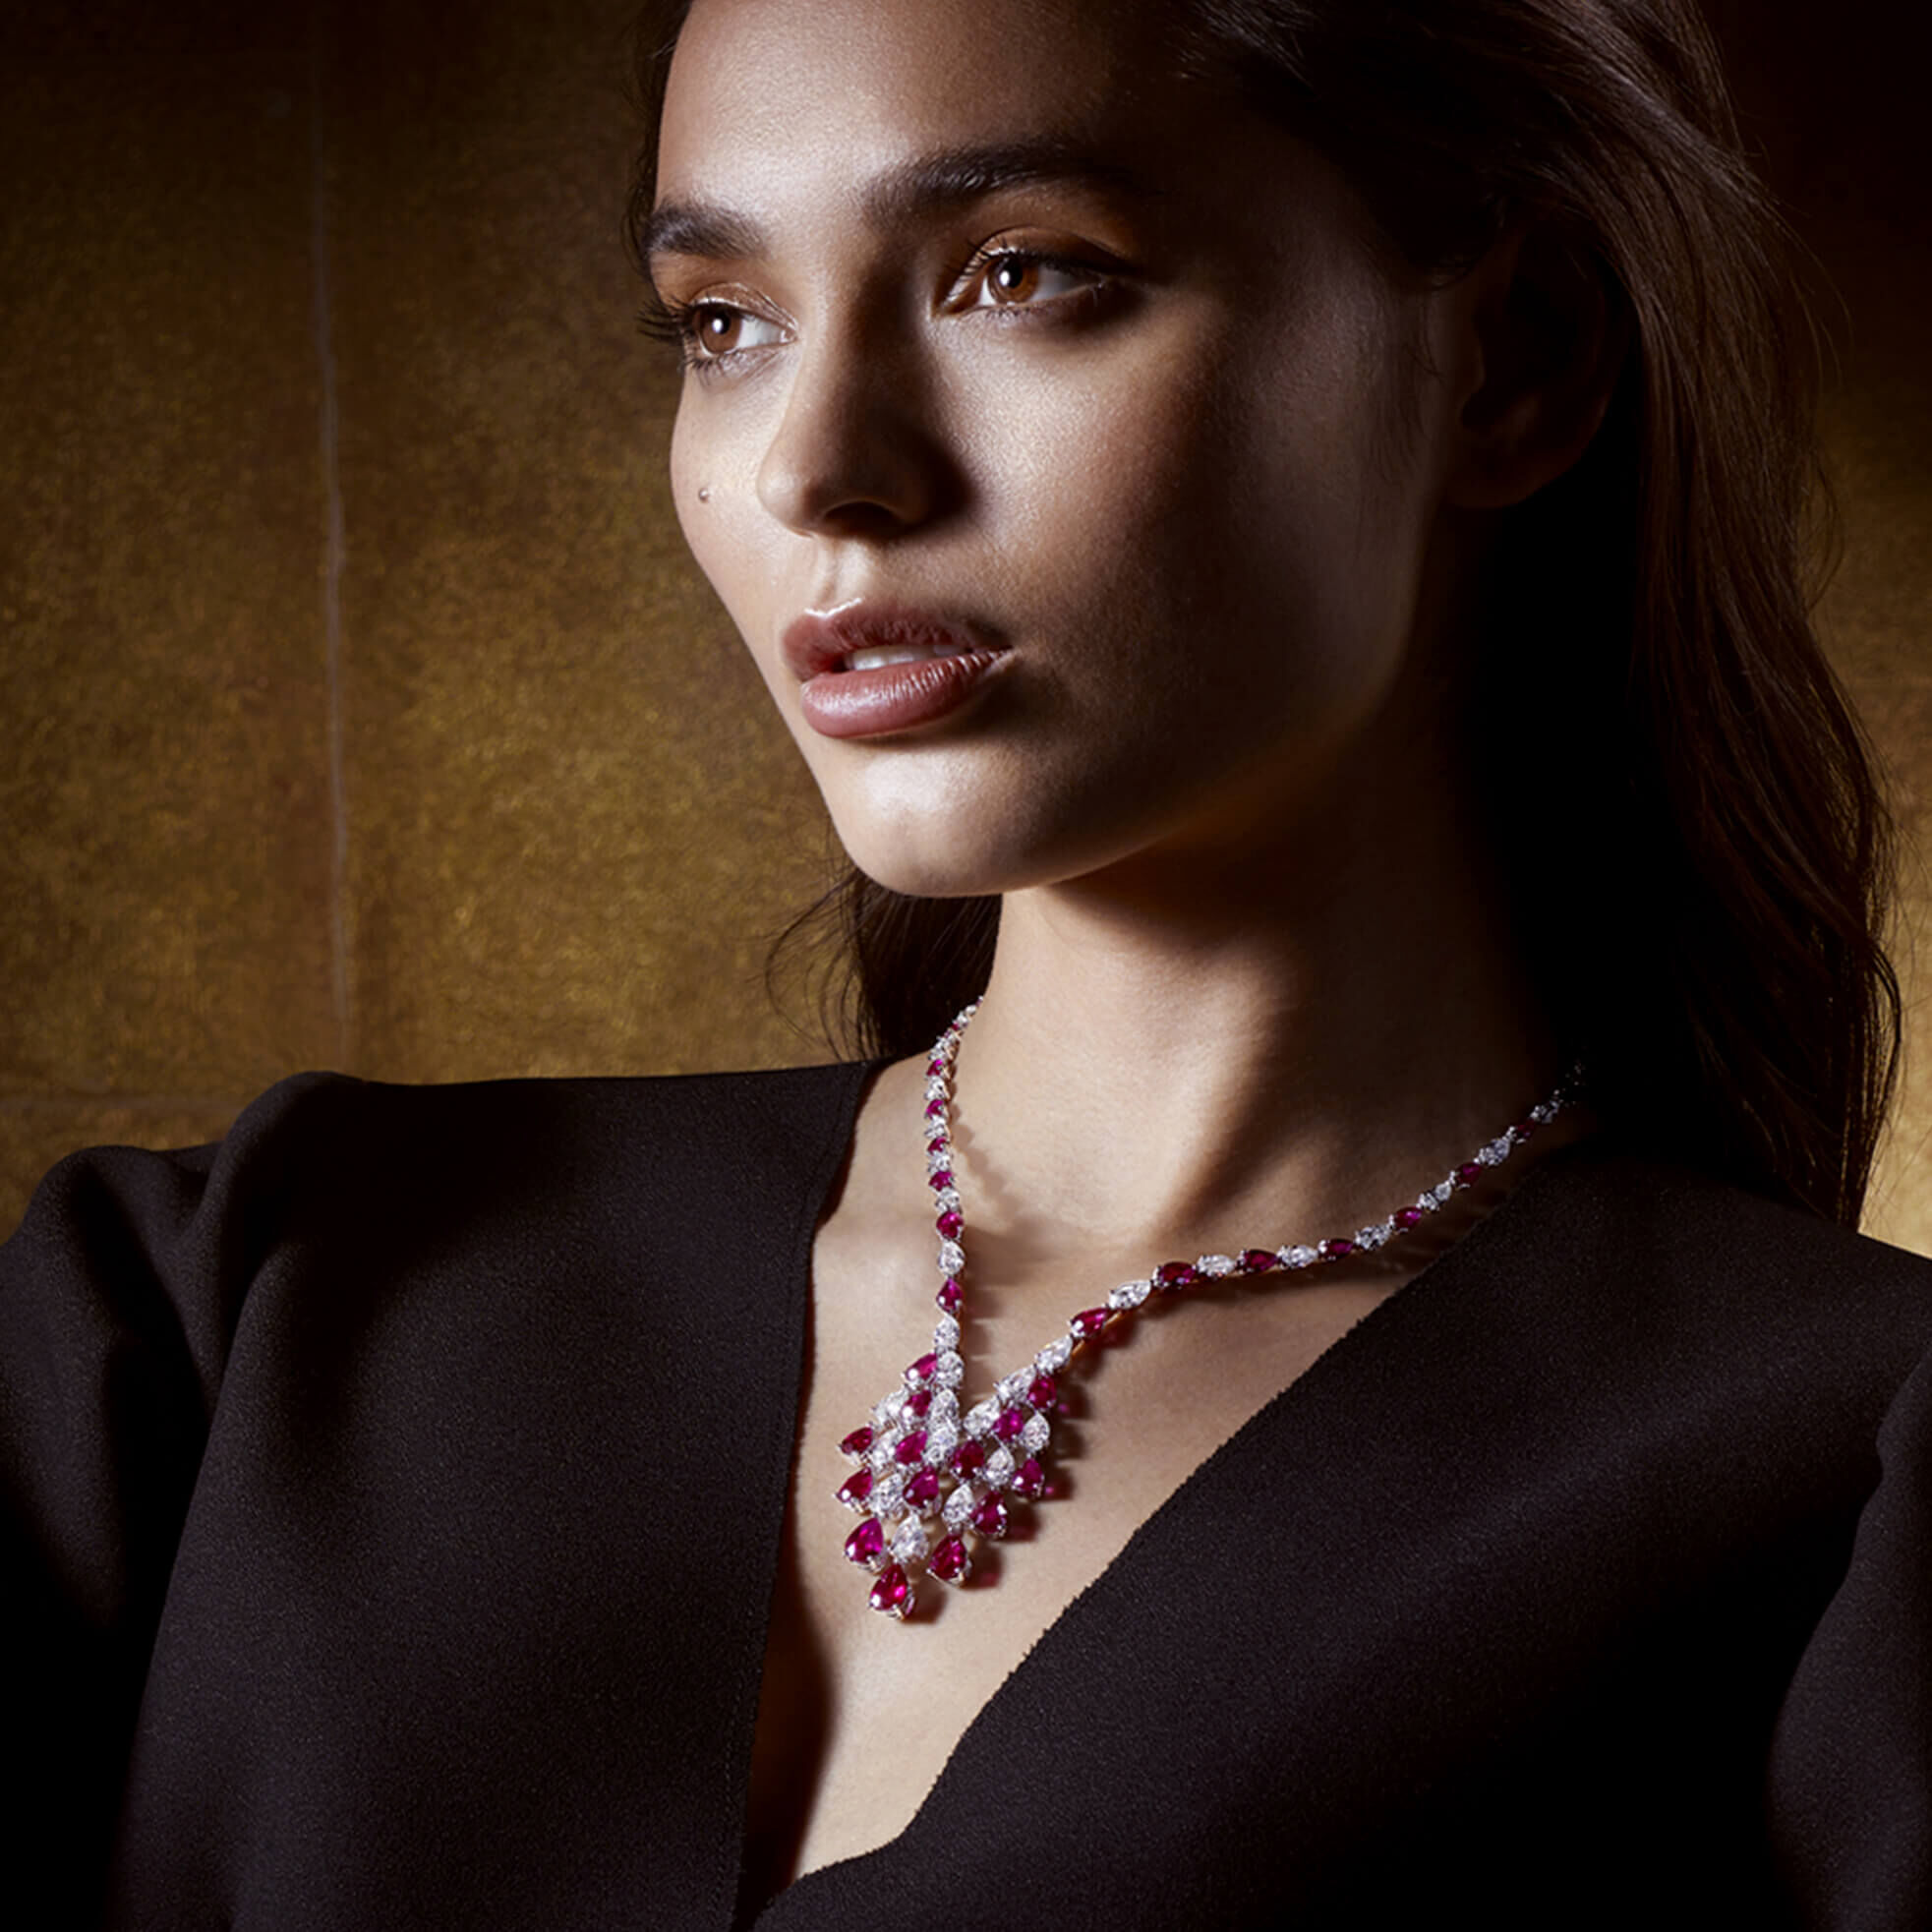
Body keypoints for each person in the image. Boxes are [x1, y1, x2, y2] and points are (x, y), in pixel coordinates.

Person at [3, 0, 1926, 1925]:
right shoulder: (236, 1311)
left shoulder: (1851, 1498)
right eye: (723, 322)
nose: (812, 468)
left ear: (1513, 358)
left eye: (1020, 274)